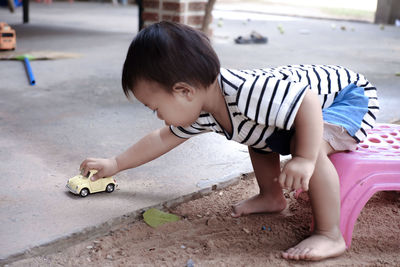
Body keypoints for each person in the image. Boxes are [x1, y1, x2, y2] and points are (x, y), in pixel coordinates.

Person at [80, 21, 379, 261]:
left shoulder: (246, 93)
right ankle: (271, 197)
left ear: (184, 91)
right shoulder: (202, 108)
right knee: (256, 134)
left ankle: (329, 234)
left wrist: (304, 159)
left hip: (347, 97)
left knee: (309, 146)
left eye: (157, 108)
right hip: (301, 109)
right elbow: (161, 139)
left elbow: (308, 102)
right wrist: (116, 163)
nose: (158, 117)